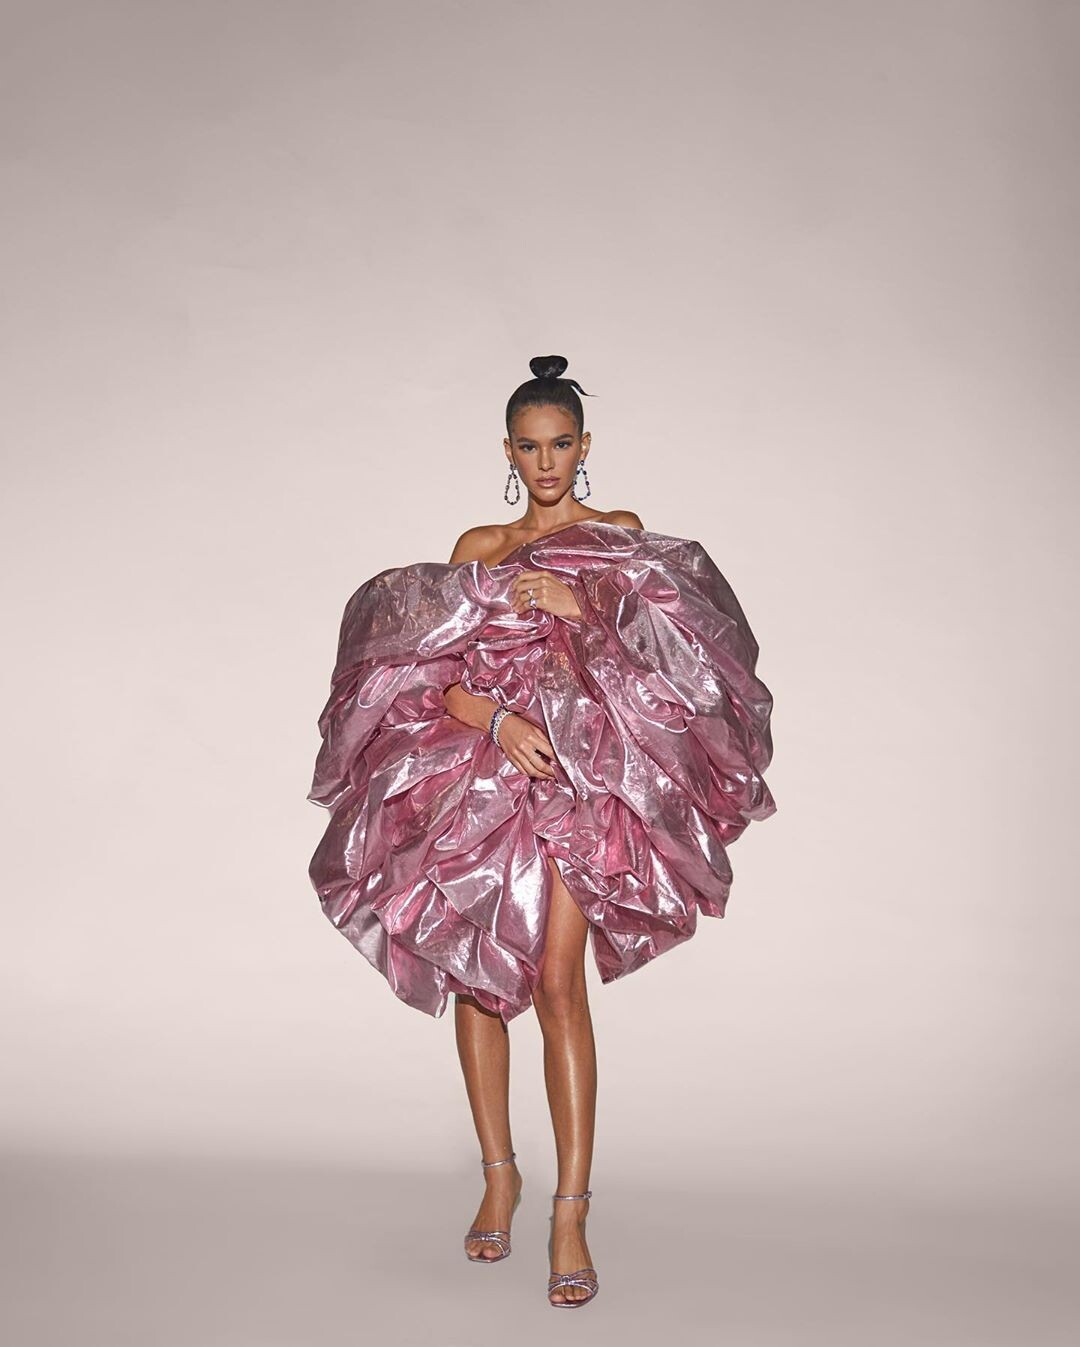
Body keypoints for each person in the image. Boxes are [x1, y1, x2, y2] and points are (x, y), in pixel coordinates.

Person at [306, 355, 777, 1308]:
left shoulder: (620, 538)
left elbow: (676, 664)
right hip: (482, 780)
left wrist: (586, 601)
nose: (546, 462)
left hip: (579, 783)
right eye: (529, 446)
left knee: (560, 983)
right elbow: (434, 681)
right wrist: (499, 722)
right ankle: (499, 1177)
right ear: (508, 452)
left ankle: (571, 1211)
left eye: (561, 444)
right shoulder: (480, 545)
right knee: (476, 978)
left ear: (585, 446)